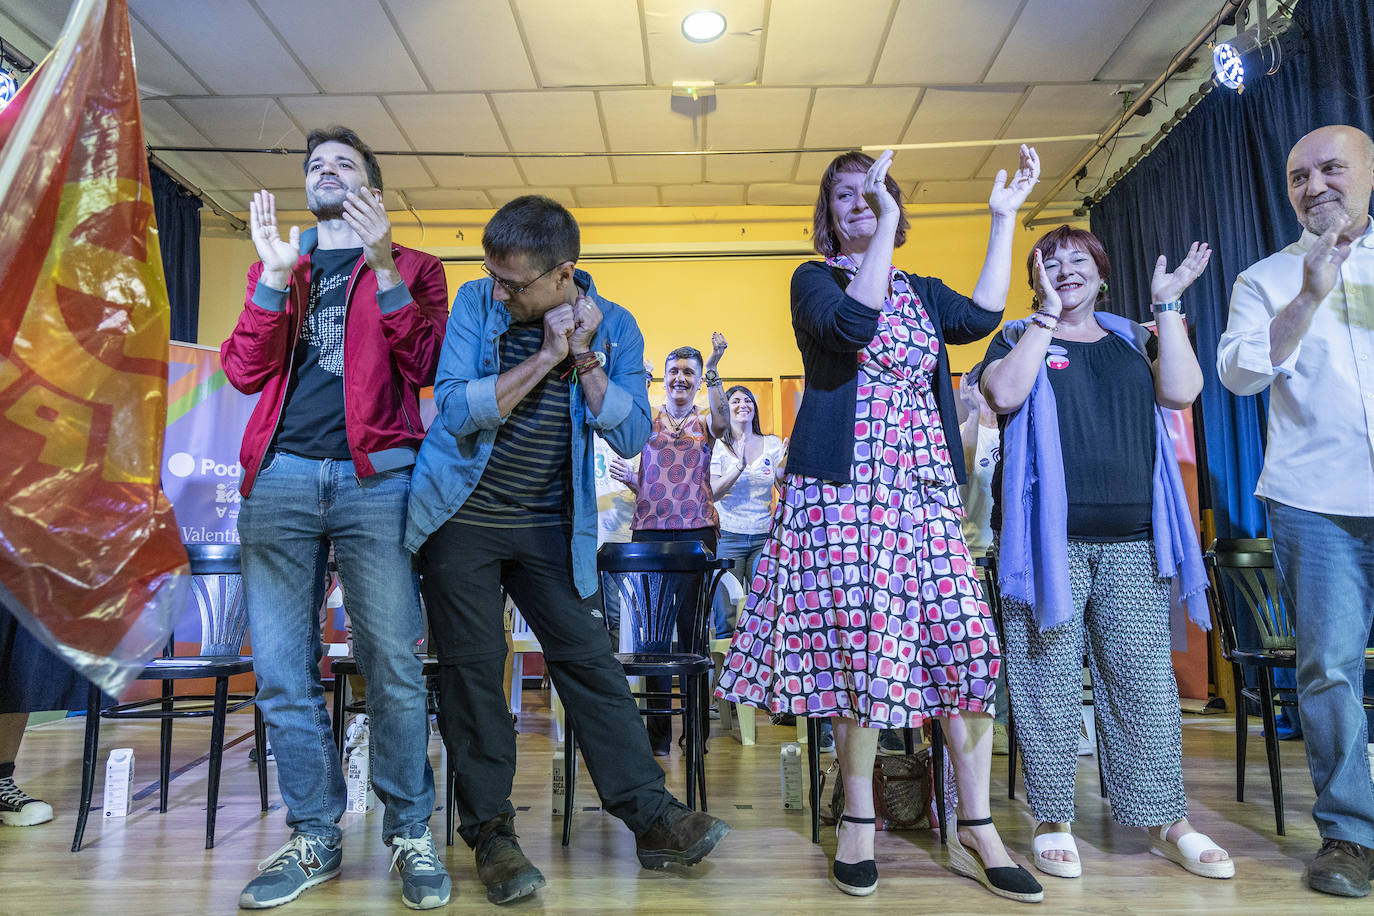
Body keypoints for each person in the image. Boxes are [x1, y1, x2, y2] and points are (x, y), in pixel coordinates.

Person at [718, 146, 1043, 902]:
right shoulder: (815, 280)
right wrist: (885, 228)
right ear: (828, 214)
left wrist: (1003, 219)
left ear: (890, 198)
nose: (858, 205)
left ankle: (977, 822)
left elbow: (984, 314)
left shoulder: (921, 290)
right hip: (841, 492)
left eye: (872, 194)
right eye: (844, 198)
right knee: (860, 652)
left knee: (966, 642)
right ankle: (857, 814)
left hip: (923, 490)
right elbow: (855, 326)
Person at [405, 195, 729, 905]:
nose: (500, 291)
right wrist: (546, 351)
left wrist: (581, 355)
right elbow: (455, 409)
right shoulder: (473, 305)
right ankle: (491, 833)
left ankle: (651, 818)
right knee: (474, 672)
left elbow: (634, 435)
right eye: (493, 275)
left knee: (589, 662)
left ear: (563, 275)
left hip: (554, 525)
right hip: (461, 516)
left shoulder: (615, 325)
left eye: (514, 282)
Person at [221, 126, 450, 910]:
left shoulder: (416, 266)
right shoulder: (277, 264)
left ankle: (410, 832)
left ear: (372, 191)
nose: (325, 171)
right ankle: (314, 832)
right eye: (315, 164)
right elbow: (244, 371)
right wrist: (272, 284)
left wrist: (383, 262)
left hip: (374, 482)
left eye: (343, 164)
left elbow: (424, 365)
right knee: (284, 673)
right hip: (279, 480)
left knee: (391, 662)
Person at [980, 226, 1229, 882]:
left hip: (1135, 538)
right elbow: (1003, 395)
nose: (1066, 272)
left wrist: (1168, 306)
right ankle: (1053, 817)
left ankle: (1167, 818)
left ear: (1101, 273)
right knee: (1047, 682)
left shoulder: (1132, 337)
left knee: (1143, 683)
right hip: (1044, 544)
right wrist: (1043, 318)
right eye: (1051, 265)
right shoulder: (1016, 337)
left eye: (1078, 262)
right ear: (1036, 279)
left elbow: (1181, 391)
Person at [1217, 124, 1374, 898]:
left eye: (1331, 169)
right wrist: (1309, 296)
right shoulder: (1263, 279)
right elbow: (1240, 374)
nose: (1314, 186)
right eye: (1297, 177)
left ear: (1369, 173)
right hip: (1316, 504)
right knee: (1330, 672)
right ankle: (1349, 837)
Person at [610, 339, 728, 755]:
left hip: (697, 533)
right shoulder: (649, 417)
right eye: (673, 371)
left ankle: (696, 735)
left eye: (689, 373)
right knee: (653, 638)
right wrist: (632, 482)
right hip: (651, 533)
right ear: (664, 376)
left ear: (697, 382)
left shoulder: (704, 420)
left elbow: (724, 419)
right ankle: (657, 738)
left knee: (693, 637)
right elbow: (622, 420)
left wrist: (713, 366)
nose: (680, 378)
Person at [708, 384, 786, 640]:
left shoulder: (772, 444)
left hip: (763, 537)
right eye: (736, 401)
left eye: (748, 400)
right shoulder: (718, 445)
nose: (744, 404)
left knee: (764, 614)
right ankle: (722, 679)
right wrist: (739, 467)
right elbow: (713, 492)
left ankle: (758, 677)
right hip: (728, 538)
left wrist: (783, 472)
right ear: (726, 410)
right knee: (727, 618)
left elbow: (783, 490)